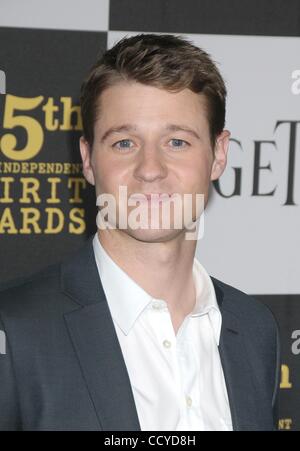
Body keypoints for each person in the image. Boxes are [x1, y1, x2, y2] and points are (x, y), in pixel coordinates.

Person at [0, 33, 280, 431]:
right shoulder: (14, 329)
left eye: (177, 141)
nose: (151, 169)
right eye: (125, 142)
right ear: (88, 159)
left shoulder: (255, 330)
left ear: (219, 156)